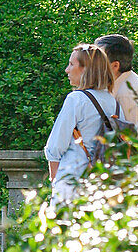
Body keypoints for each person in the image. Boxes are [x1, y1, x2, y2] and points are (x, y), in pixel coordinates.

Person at [44, 43, 119, 204]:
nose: (67, 69)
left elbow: (56, 146)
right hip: (101, 185)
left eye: (71, 64)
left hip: (72, 181)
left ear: (86, 69)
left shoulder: (76, 99)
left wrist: (55, 181)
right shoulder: (113, 102)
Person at [94, 34, 138, 137]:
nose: (92, 62)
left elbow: (135, 140)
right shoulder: (125, 82)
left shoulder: (128, 93)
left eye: (99, 58)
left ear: (115, 65)